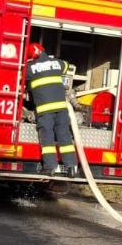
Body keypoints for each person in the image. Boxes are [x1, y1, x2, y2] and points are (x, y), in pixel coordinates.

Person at [24, 43, 78, 178]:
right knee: (65, 137)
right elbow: (67, 66)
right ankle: (71, 167)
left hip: (45, 111)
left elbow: (20, 78)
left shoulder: (29, 68)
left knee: (47, 138)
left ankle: (50, 167)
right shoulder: (57, 63)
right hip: (61, 109)